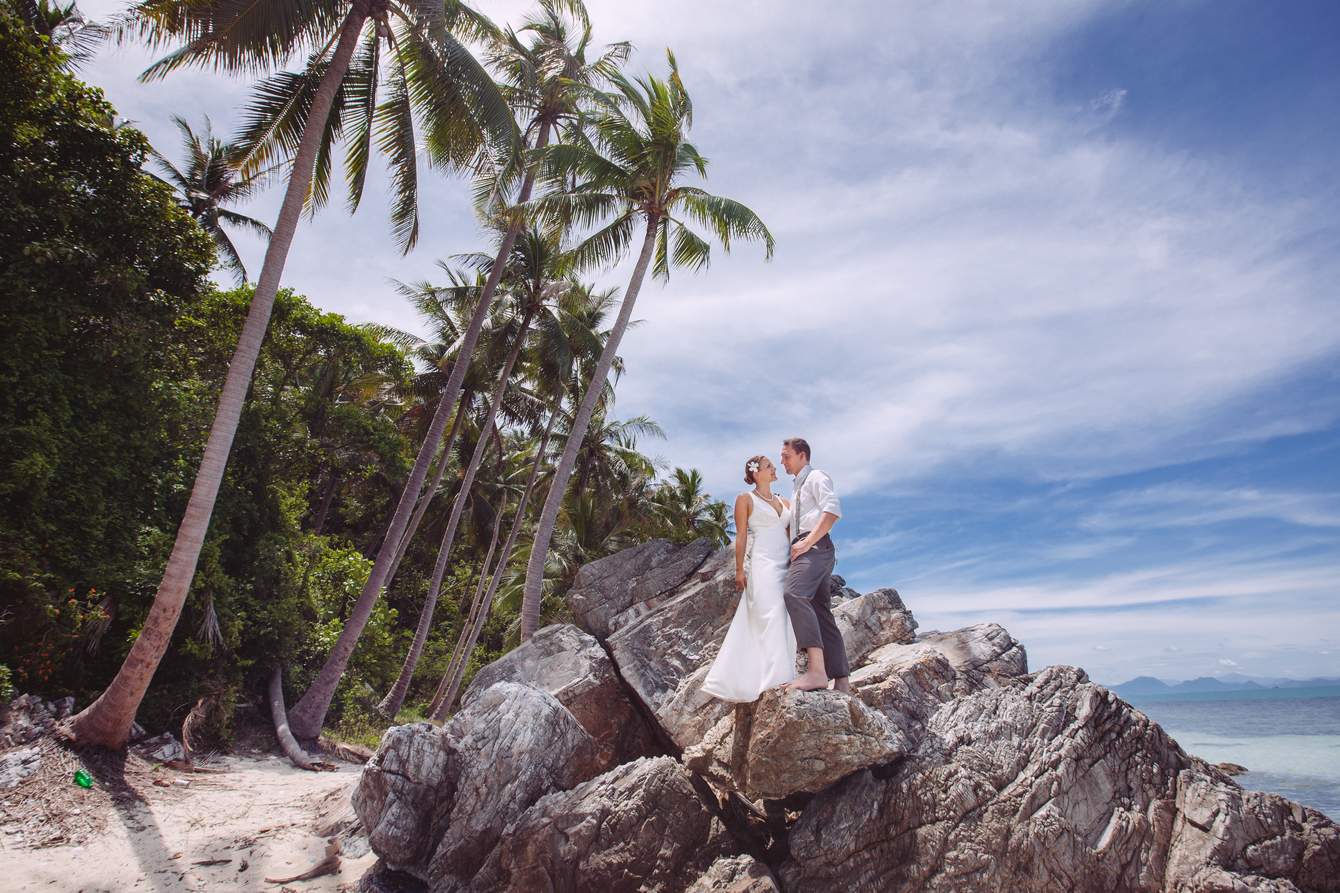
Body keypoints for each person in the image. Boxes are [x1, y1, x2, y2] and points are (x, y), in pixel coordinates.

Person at [701, 455, 798, 700]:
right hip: (763, 564)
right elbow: (742, 536)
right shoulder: (745, 499)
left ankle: (783, 672)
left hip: (786, 564)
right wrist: (740, 570)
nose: (775, 468)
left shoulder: (784, 501)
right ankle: (776, 679)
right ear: (756, 473)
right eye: (769, 466)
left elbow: (791, 535)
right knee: (770, 614)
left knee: (787, 615)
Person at [779, 437, 851, 692]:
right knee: (821, 611)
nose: (782, 461)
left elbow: (831, 511)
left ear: (802, 455)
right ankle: (841, 680)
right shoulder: (796, 488)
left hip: (814, 547)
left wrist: (807, 543)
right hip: (812, 548)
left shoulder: (817, 476)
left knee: (794, 594)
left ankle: (816, 672)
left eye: (786, 456)